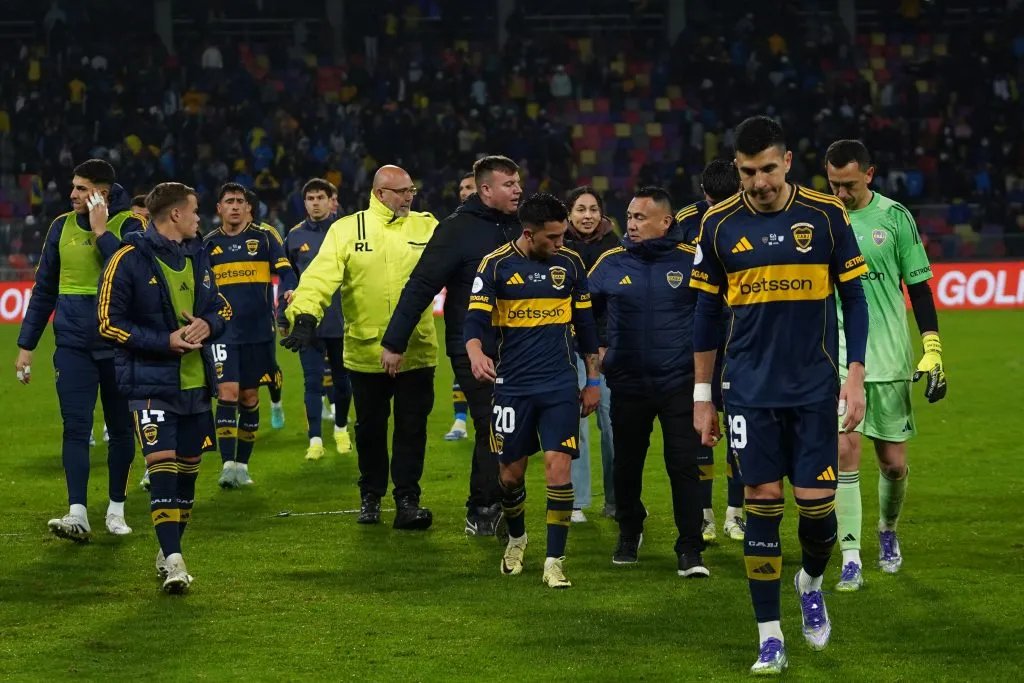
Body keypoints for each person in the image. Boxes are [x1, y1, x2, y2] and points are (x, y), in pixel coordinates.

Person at [690, 116, 869, 674]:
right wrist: (702, 396)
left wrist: (855, 374)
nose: (760, 182)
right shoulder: (718, 225)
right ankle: (769, 635)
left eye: (768, 169)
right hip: (747, 390)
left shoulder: (826, 214)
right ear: (737, 169)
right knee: (763, 503)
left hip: (814, 389)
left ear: (787, 161)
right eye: (748, 172)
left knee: (817, 513)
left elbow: (854, 298)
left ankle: (810, 581)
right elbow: (705, 315)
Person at [282, 165, 438, 530]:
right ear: (380, 193)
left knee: (412, 429)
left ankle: (407, 500)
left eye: (412, 190)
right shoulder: (347, 230)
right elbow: (319, 277)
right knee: (369, 430)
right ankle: (371, 496)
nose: (409, 197)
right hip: (366, 353)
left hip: (416, 349)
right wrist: (304, 315)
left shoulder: (428, 227)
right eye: (402, 191)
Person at [824, 140, 946, 592]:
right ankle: (850, 556)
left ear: (869, 175)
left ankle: (887, 530)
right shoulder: (821, 218)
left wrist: (932, 346)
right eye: (833, 185)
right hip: (839, 358)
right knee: (844, 453)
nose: (841, 194)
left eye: (849, 185)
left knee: (893, 465)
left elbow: (919, 286)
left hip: (890, 357)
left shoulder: (895, 218)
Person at [97, 182, 230, 593]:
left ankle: (167, 547)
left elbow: (221, 308)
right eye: (195, 210)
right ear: (175, 214)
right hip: (150, 383)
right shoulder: (128, 258)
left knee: (188, 475)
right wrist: (164, 341)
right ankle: (175, 561)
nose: (199, 218)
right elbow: (108, 323)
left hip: (195, 384)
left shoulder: (199, 254)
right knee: (162, 471)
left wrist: (208, 324)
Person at [464, 192, 600, 588]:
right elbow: (474, 320)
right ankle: (517, 538)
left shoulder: (571, 263)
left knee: (559, 467)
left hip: (560, 384)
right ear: (528, 234)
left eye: (563, 235)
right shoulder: (495, 265)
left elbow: (586, 327)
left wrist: (592, 380)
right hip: (513, 387)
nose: (561, 243)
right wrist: (475, 352)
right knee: (510, 476)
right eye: (553, 237)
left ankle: (555, 560)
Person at [381, 155, 523, 536]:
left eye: (518, 183)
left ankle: (498, 501)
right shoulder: (456, 229)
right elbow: (421, 285)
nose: (518, 190)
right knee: (493, 422)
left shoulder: (523, 226)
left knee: (513, 425)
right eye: (509, 184)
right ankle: (484, 508)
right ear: (486, 189)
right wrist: (394, 342)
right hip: (472, 346)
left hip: (520, 346)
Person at [15, 159, 144, 540]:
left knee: (121, 430)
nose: (72, 194)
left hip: (119, 346)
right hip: (73, 346)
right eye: (73, 186)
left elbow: (133, 275)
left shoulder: (130, 225)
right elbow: (44, 290)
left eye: (81, 188)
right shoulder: (60, 227)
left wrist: (102, 231)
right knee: (75, 428)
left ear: (102, 193)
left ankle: (116, 509)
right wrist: (26, 346)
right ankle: (77, 513)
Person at [589, 186, 709, 577]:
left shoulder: (693, 260)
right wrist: (600, 348)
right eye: (630, 216)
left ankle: (690, 548)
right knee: (626, 465)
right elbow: (583, 312)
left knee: (684, 466)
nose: (632, 224)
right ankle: (629, 531)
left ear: (666, 221)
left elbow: (715, 317)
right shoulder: (610, 262)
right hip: (628, 384)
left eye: (640, 217)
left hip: (679, 384)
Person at [205, 183, 297, 488]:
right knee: (227, 393)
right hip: (222, 331)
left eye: (239, 201)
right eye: (228, 201)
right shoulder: (208, 244)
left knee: (250, 396)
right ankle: (227, 465)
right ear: (219, 208)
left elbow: (286, 272)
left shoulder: (265, 237)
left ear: (248, 207)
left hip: (258, 331)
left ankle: (242, 466)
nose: (234, 206)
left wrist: (289, 293)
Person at [674, 159, 744, 543]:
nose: (720, 209)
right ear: (704, 194)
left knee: (738, 428)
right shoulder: (686, 220)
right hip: (699, 333)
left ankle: (736, 512)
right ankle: (704, 514)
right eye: (714, 202)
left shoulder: (752, 215)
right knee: (702, 425)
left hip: (739, 335)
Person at [283, 178, 351, 460]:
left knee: (342, 381)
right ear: (305, 203)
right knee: (312, 382)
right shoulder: (294, 236)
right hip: (307, 322)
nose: (315, 203)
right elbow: (287, 277)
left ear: (330, 200)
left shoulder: (345, 231)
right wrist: (282, 316)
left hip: (341, 319)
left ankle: (341, 428)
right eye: (310, 198)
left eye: (320, 197)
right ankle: (315, 440)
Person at [564, 185, 620, 522]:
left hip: (606, 348)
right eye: (581, 209)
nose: (588, 216)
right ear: (569, 213)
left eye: (593, 209)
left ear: (602, 213)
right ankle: (576, 501)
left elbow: (618, 301)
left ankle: (616, 499)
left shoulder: (616, 248)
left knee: (613, 425)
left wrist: (605, 341)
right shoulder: (557, 245)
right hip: (568, 348)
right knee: (576, 423)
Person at [243, 188, 288, 429]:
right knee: (236, 370)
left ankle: (276, 402)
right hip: (231, 317)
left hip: (262, 312)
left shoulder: (267, 233)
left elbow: (282, 265)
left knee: (269, 366)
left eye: (241, 203)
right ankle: (246, 412)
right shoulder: (219, 236)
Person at [443, 171, 479, 443]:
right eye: (462, 188)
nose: (464, 192)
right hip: (462, 311)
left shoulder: (501, 225)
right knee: (463, 368)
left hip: (494, 313)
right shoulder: (452, 225)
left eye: (470, 187)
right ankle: (459, 421)